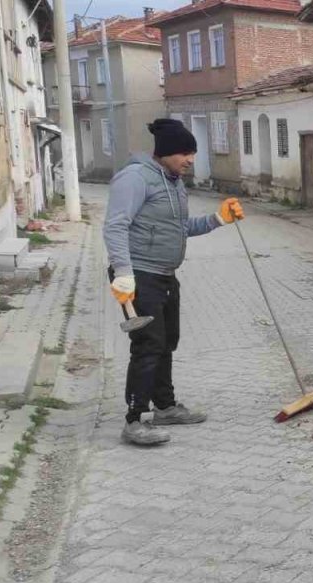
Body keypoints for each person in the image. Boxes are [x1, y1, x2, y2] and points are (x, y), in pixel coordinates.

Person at [103, 118, 245, 446]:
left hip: (165, 275)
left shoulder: (174, 181)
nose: (190, 159)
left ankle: (165, 407)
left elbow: (180, 228)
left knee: (167, 341)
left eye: (192, 152)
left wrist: (218, 219)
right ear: (166, 152)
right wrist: (124, 272)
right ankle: (135, 420)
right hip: (138, 275)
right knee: (147, 346)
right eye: (184, 152)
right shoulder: (135, 178)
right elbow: (115, 226)